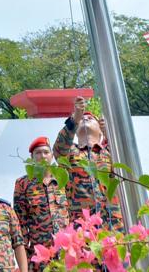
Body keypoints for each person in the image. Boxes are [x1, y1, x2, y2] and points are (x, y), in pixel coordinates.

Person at [53, 96, 122, 230]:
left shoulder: (110, 152)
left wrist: (110, 134)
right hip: (83, 228)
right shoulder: (70, 152)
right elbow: (59, 149)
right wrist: (75, 120)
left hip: (112, 227)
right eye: (83, 118)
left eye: (91, 118)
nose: (85, 118)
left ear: (100, 129)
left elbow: (125, 167)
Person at [14, 136, 69, 272]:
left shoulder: (63, 179)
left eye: (46, 152)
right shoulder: (23, 184)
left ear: (51, 155)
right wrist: (26, 256)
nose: (42, 156)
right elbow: (20, 222)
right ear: (32, 158)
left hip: (66, 251)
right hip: (40, 253)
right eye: (38, 153)